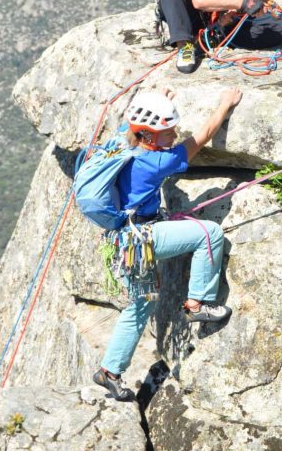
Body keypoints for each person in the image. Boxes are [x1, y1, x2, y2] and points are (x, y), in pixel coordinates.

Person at [93, 86, 242, 402]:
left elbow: (132, 124)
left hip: (123, 241)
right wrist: (224, 103)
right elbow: (202, 137)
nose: (173, 135)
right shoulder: (155, 162)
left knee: (140, 306)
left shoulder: (120, 142)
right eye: (167, 132)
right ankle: (198, 304)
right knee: (209, 233)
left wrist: (160, 100)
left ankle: (109, 371)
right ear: (148, 135)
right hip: (141, 239)